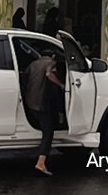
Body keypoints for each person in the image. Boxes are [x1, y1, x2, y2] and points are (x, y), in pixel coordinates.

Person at [24, 47, 64, 176]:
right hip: (40, 103)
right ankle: (41, 163)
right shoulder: (51, 63)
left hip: (29, 101)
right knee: (48, 132)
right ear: (52, 56)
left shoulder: (33, 64)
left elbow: (25, 77)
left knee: (44, 124)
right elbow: (49, 74)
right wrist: (61, 84)